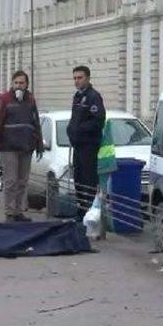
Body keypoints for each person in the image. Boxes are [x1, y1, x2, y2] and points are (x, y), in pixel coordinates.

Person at [0, 70, 43, 222]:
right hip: (9, 147)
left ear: (27, 84)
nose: (19, 86)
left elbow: (36, 122)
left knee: (22, 181)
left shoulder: (31, 100)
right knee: (11, 181)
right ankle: (9, 212)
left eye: (22, 83)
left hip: (26, 146)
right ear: (12, 84)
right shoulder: (4, 100)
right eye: (16, 83)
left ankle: (18, 211)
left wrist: (39, 144)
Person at [66, 65, 106, 221]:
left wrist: (79, 130)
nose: (77, 81)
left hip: (89, 146)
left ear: (88, 78)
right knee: (79, 181)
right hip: (78, 146)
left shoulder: (93, 96)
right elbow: (74, 119)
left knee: (88, 181)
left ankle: (89, 214)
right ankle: (81, 212)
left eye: (80, 78)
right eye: (75, 78)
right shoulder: (77, 96)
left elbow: (98, 121)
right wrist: (71, 130)